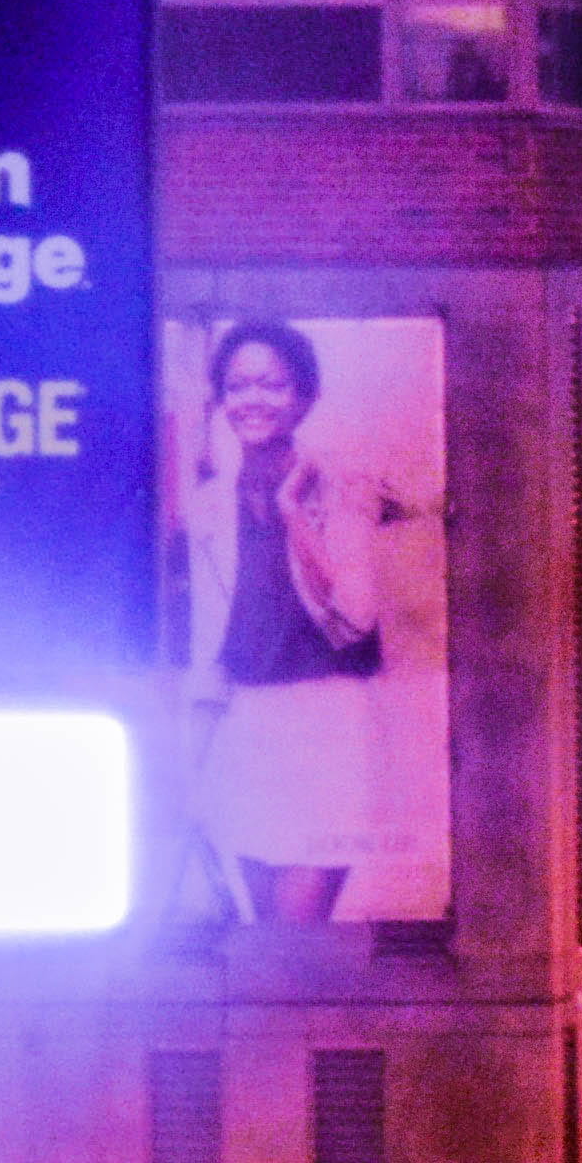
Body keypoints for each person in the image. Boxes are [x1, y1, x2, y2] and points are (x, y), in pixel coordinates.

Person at [172, 320, 427, 921]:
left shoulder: (342, 487)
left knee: (299, 932)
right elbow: (212, 642)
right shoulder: (208, 506)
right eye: (237, 387)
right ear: (222, 400)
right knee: (266, 938)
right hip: (246, 728)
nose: (252, 400)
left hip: (327, 726)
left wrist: (293, 513)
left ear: (304, 397)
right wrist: (192, 762)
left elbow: (355, 619)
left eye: (271, 385)